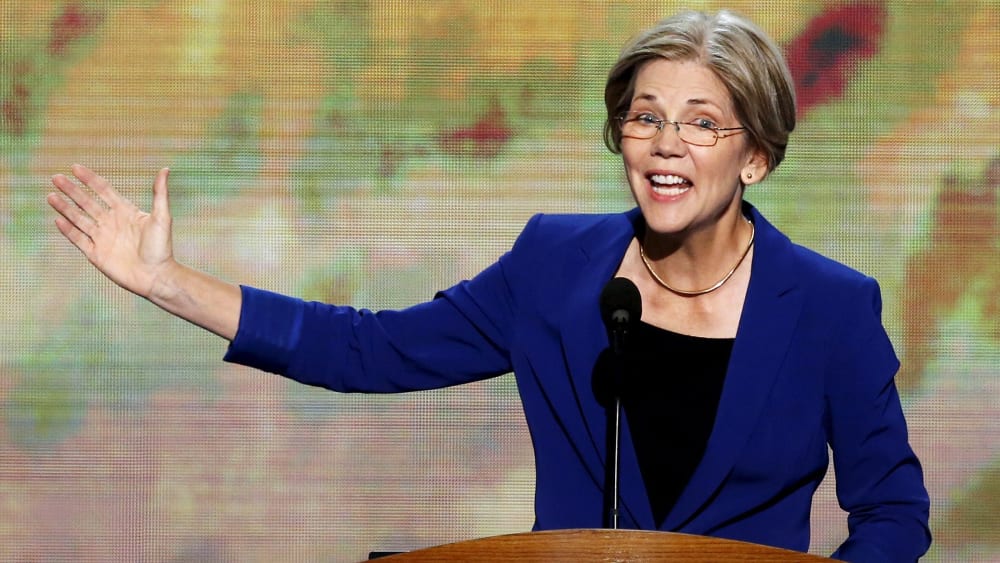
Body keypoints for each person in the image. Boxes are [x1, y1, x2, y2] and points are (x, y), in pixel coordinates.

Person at [46, 9, 930, 562]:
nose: (666, 144)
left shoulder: (829, 306)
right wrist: (166, 281)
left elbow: (892, 511)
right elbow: (366, 347)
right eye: (645, 118)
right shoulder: (554, 265)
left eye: (702, 123)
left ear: (757, 157)